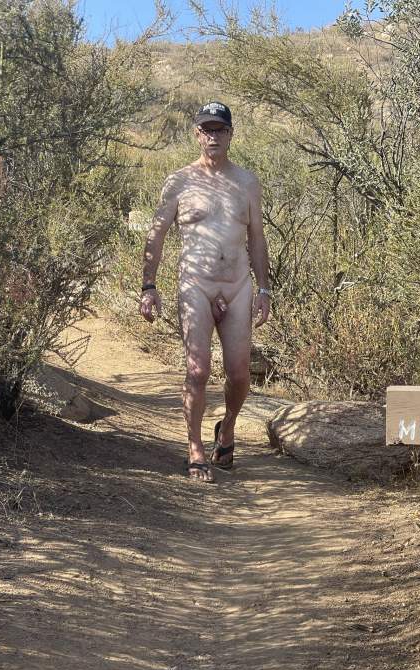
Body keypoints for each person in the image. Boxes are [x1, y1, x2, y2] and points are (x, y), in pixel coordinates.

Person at [139, 101, 271, 483]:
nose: (213, 136)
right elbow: (156, 234)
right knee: (197, 370)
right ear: (197, 134)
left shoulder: (247, 182)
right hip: (195, 283)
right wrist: (149, 286)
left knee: (240, 374)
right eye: (206, 130)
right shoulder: (179, 181)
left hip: (238, 285)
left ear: (230, 134)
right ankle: (195, 448)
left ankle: (227, 427)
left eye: (219, 129)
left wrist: (264, 289)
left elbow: (257, 239)